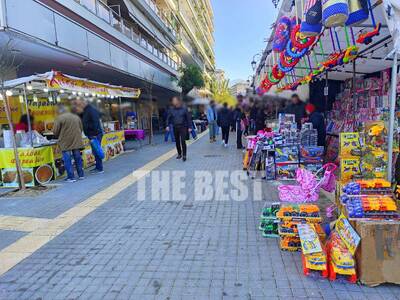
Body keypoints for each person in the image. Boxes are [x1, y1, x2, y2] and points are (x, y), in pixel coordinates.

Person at [53, 105, 84, 183]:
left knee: (67, 159)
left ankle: (71, 177)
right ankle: (81, 175)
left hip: (65, 142)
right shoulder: (76, 117)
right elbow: (81, 128)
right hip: (76, 140)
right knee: (77, 158)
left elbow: (55, 131)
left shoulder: (59, 118)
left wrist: (57, 136)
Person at [73, 98, 104, 174]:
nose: (79, 106)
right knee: (95, 151)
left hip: (94, 134)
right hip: (92, 134)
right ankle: (98, 167)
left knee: (96, 150)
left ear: (84, 103)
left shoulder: (91, 110)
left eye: (79, 104)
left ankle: (99, 168)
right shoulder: (86, 110)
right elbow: (83, 119)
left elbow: (95, 122)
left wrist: (94, 134)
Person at [166, 96, 192, 161]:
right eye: (173, 101)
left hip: (183, 127)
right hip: (175, 127)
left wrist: (190, 127)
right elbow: (168, 118)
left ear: (178, 101)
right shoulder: (171, 109)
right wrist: (167, 126)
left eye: (175, 100)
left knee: (183, 141)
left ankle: (184, 155)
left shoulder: (184, 108)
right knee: (177, 141)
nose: (174, 102)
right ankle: (179, 154)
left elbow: (188, 118)